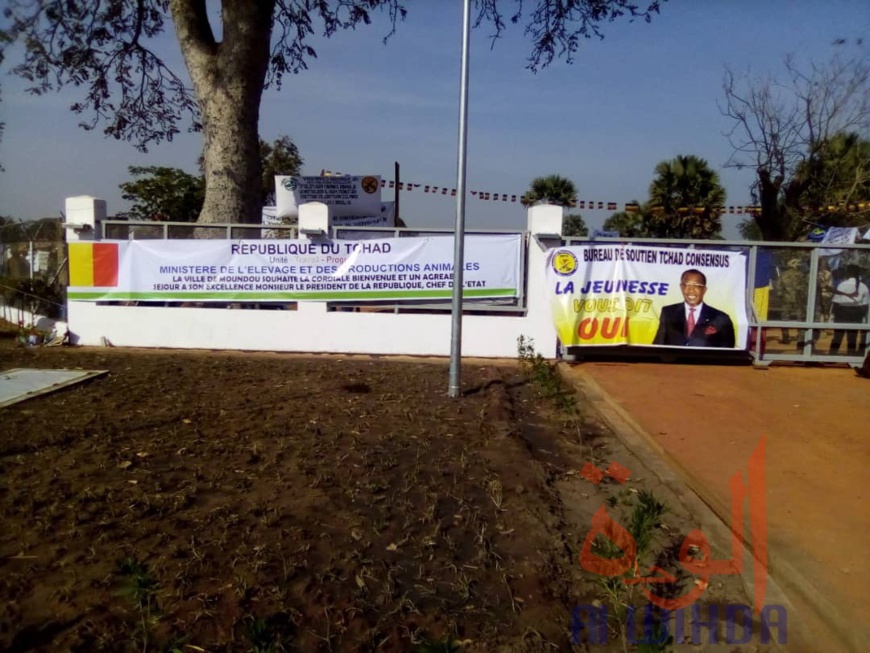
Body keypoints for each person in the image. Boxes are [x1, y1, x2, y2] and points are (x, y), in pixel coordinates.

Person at [654, 269, 736, 348]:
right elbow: (658, 345)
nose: (691, 291)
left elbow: (727, 352)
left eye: (697, 286)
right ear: (681, 287)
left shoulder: (721, 318)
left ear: (704, 289)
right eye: (687, 285)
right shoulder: (668, 312)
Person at [829, 264, 869, 355]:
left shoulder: (842, 285)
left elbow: (836, 301)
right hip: (856, 312)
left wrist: (832, 315)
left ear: (848, 273)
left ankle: (832, 356)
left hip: (842, 311)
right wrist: (863, 316)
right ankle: (851, 356)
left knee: (837, 336)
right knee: (852, 337)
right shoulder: (863, 286)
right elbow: (865, 304)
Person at [777, 258, 807, 345]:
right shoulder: (801, 275)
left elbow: (779, 288)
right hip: (799, 300)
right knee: (801, 319)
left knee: (785, 319)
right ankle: (801, 339)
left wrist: (782, 297)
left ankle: (786, 338)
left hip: (786, 300)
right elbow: (805, 288)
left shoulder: (783, 274)